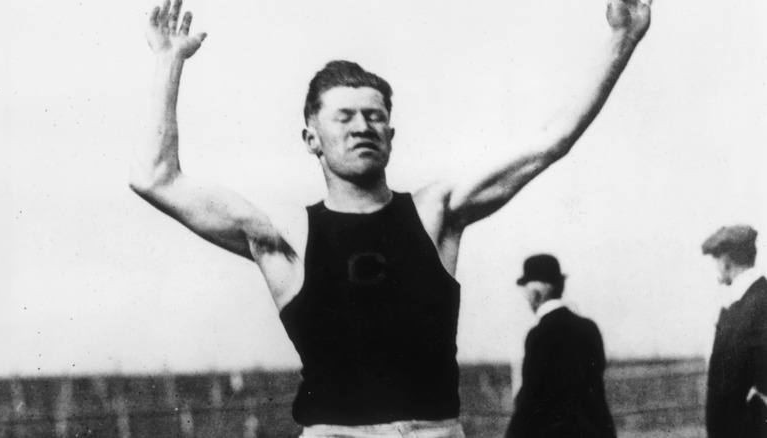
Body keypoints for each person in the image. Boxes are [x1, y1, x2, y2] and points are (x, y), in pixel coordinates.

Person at [130, 0, 652, 435]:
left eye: (375, 116)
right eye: (345, 116)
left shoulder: (435, 213)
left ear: (391, 135)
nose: (363, 126)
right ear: (311, 138)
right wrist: (168, 61)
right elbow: (156, 177)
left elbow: (550, 142)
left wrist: (621, 41)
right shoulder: (286, 235)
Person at [506, 255, 616, 438]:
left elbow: (530, 400)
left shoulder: (538, 335)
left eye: (526, 293)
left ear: (535, 295)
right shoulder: (589, 328)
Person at [701, 225, 767, 438]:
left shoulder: (758, 303)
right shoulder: (740, 305)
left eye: (716, 260)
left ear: (726, 261)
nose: (716, 269)